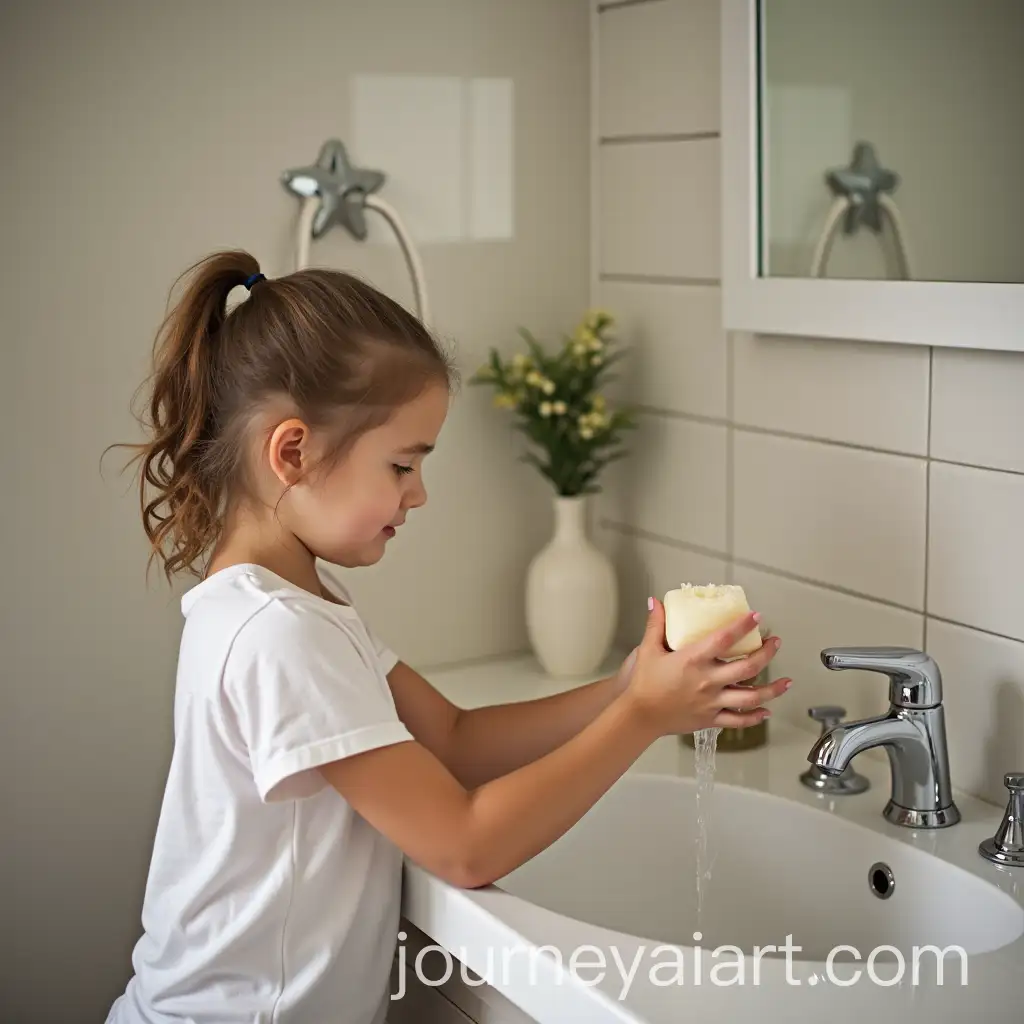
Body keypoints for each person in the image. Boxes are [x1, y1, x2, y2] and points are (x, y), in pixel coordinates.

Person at [104, 250, 789, 1024]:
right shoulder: (279, 636)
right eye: (402, 464)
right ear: (292, 452)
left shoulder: (296, 602)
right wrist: (643, 721)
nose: (418, 493)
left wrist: (627, 686)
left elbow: (454, 741)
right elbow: (464, 846)